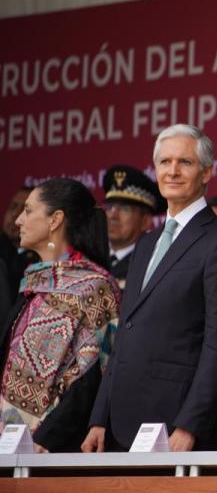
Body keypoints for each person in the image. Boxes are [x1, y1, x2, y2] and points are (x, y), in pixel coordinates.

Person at [82, 124, 217, 452]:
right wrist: (100, 416)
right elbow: (124, 337)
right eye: (164, 162)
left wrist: (191, 424)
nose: (172, 171)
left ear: (206, 173)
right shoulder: (146, 244)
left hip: (175, 426)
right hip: (119, 425)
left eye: (185, 163)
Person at [0, 178, 120, 452]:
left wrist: (47, 438)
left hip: (53, 447)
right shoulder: (33, 281)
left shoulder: (94, 287)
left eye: (28, 211)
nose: (18, 220)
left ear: (55, 219)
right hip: (9, 442)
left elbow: (93, 376)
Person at [102, 165, 164, 289]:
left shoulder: (151, 263)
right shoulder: (90, 257)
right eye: (110, 207)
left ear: (145, 221)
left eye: (125, 209)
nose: (113, 215)